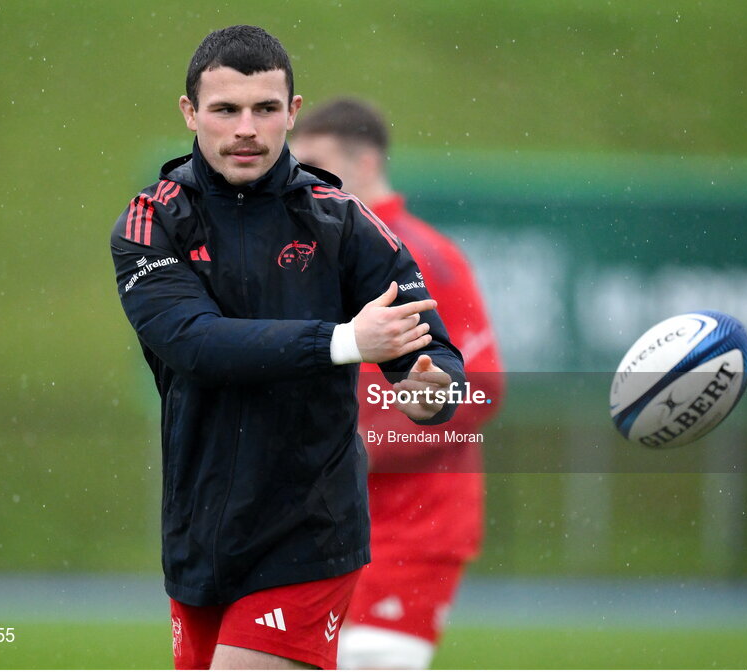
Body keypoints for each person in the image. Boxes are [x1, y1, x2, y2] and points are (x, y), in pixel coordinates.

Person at [109, 27, 464, 671]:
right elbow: (195, 344)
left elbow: (433, 361)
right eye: (226, 110)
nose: (247, 128)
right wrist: (346, 341)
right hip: (199, 532)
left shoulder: (345, 222)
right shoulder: (151, 221)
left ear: (291, 114)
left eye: (265, 109)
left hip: (310, 527)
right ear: (190, 113)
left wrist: (429, 391)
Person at [290, 98, 504, 669]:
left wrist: (364, 446)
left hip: (413, 528)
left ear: (364, 163)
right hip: (323, 527)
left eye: (316, 164)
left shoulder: (425, 256)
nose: (299, 179)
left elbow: (482, 389)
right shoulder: (307, 255)